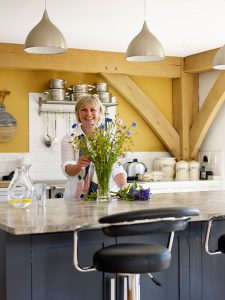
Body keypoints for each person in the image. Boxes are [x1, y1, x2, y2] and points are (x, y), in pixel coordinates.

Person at [61, 94, 128, 199]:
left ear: (99, 112)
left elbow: (116, 167)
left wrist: (123, 185)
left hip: (105, 197)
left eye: (93, 109)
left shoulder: (108, 137)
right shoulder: (70, 138)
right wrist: (78, 166)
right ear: (78, 114)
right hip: (77, 200)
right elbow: (67, 167)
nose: (88, 114)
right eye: (83, 110)